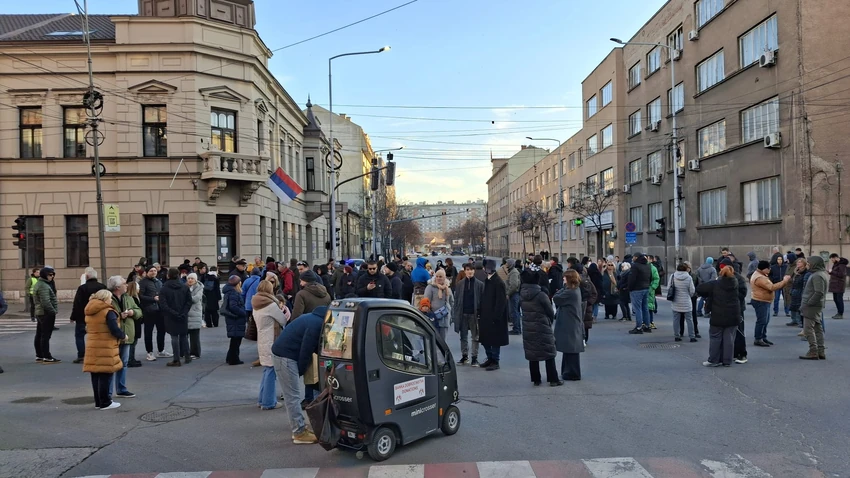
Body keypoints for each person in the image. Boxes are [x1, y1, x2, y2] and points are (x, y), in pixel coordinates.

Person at [271, 305, 326, 445]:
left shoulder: (311, 318)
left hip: (283, 354)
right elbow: (306, 351)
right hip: (286, 357)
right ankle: (299, 432)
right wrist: (300, 371)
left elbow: (312, 347)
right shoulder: (316, 325)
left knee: (293, 395)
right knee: (293, 396)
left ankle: (299, 426)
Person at [83, 289, 126, 410]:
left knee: (96, 374)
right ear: (105, 298)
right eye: (110, 298)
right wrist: (123, 336)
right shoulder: (108, 312)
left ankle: (98, 402)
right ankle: (106, 402)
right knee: (105, 374)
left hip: (93, 345)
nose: (111, 300)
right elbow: (114, 329)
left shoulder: (90, 310)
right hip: (106, 345)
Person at [519, 269, 562, 386]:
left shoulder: (522, 294)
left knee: (532, 353)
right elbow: (550, 311)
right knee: (549, 352)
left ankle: (536, 379)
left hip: (528, 327)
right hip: (542, 326)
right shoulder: (541, 295)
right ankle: (553, 379)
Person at [253, 280, 289, 410]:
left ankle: (262, 399)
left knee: (266, 370)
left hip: (262, 338)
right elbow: (283, 320)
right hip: (271, 340)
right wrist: (284, 310)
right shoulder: (270, 305)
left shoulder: (255, 303)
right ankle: (268, 402)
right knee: (271, 371)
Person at [697, 266, 741, 367]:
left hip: (718, 314)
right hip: (733, 314)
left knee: (715, 337)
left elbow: (700, 288)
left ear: (720, 273)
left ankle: (714, 360)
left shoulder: (715, 283)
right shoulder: (735, 283)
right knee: (729, 338)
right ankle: (727, 361)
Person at [107, 275, 141, 399]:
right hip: (114, 336)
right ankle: (108, 393)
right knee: (112, 364)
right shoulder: (109, 299)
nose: (127, 286)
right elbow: (106, 316)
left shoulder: (128, 297)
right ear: (117, 287)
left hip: (127, 335)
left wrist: (133, 312)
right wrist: (119, 316)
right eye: (124, 284)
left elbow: (139, 311)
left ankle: (121, 389)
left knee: (123, 363)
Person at [70, 268, 106, 364]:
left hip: (83, 316)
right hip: (99, 316)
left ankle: (81, 355)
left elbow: (77, 303)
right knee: (98, 335)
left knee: (79, 336)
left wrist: (73, 316)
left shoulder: (82, 288)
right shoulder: (102, 287)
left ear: (86, 277)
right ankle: (97, 354)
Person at [553, 269, 584, 381]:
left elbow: (556, 298)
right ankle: (567, 371)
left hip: (570, 323)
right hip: (571, 322)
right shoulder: (574, 289)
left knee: (571, 349)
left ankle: (572, 373)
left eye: (565, 278)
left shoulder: (570, 292)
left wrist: (560, 290)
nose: (563, 279)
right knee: (568, 349)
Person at [750, 261, 790, 347]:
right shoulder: (760, 278)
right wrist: (784, 281)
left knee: (765, 320)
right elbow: (772, 287)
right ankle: (758, 338)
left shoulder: (759, 274)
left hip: (763, 300)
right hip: (761, 301)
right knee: (762, 321)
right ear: (764, 269)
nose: (770, 270)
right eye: (769, 268)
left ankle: (763, 337)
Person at [478, 260, 509, 371]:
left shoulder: (498, 282)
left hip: (495, 317)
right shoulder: (488, 280)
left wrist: (496, 317)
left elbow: (501, 302)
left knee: (495, 340)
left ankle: (495, 360)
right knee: (486, 339)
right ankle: (490, 358)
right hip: (486, 315)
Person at [159, 268, 192, 366]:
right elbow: (188, 302)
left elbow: (163, 305)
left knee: (174, 337)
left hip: (171, 316)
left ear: (168, 276)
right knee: (183, 335)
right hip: (182, 315)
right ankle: (187, 356)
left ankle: (176, 359)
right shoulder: (184, 287)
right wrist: (183, 313)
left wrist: (173, 313)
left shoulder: (164, 288)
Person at [452, 263, 484, 366]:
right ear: (464, 271)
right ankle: (464, 356)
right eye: (467, 270)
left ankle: (474, 357)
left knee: (475, 337)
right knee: (463, 336)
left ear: (474, 271)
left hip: (474, 314)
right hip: (463, 313)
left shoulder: (479, 284)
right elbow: (456, 299)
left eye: (471, 270)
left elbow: (483, 300)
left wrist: (481, 313)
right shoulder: (460, 284)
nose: (469, 271)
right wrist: (455, 314)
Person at [800, 256, 828, 360]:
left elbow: (819, 292)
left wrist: (808, 303)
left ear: (814, 264)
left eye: (809, 263)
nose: (807, 265)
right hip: (815, 306)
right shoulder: (819, 274)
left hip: (812, 307)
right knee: (817, 328)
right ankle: (820, 351)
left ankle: (813, 351)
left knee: (808, 329)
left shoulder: (817, 276)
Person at [139, 266, 170, 361]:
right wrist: (153, 299)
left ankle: (161, 350)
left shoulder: (158, 282)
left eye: (155, 270)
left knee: (161, 330)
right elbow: (140, 296)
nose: (153, 272)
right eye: (151, 271)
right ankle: (149, 352)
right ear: (147, 272)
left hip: (160, 310)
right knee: (148, 332)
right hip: (149, 310)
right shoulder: (143, 282)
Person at [33, 266, 60, 363]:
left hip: (41, 312)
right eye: (50, 274)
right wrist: (53, 311)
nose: (52, 276)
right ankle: (46, 356)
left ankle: (40, 355)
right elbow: (46, 302)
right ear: (44, 275)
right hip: (45, 313)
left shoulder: (40, 283)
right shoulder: (43, 286)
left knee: (40, 334)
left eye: (53, 275)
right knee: (45, 335)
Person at [221, 275, 248, 365]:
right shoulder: (234, 293)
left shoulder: (230, 292)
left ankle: (230, 357)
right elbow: (233, 306)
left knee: (234, 340)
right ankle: (234, 359)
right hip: (236, 319)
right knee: (236, 340)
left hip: (233, 319)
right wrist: (243, 313)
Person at [669, 263, 697, 342]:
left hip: (676, 301)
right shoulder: (689, 277)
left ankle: (677, 336)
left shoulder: (673, 276)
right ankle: (692, 336)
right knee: (689, 320)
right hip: (686, 301)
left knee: (676, 319)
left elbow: (669, 287)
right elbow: (692, 291)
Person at [423, 269, 453, 341]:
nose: (438, 278)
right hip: (433, 318)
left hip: (445, 318)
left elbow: (451, 302)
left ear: (444, 277)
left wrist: (451, 314)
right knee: (434, 341)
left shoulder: (447, 288)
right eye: (437, 276)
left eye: (440, 276)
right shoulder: (430, 287)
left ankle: (441, 352)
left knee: (443, 341)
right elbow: (426, 302)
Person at [627, 254, 652, 334]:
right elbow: (650, 277)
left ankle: (638, 327)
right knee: (645, 308)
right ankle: (647, 326)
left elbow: (632, 278)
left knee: (637, 309)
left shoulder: (635, 266)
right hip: (646, 288)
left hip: (637, 289)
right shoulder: (648, 266)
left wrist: (630, 288)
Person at [125, 279, 144, 367]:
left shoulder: (134, 298)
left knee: (133, 341)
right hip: (134, 323)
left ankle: (131, 358)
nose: (139, 289)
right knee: (133, 341)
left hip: (135, 322)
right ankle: (130, 359)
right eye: (138, 287)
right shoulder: (133, 299)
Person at [186, 273, 204, 359]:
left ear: (195, 280)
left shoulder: (200, 287)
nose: (190, 280)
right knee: (184, 335)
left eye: (192, 278)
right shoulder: (184, 287)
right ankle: (185, 352)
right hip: (185, 314)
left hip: (195, 314)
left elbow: (196, 298)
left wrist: (186, 297)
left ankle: (195, 353)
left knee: (195, 336)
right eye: (189, 278)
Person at [788, 258, 809, 328]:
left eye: (800, 262)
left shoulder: (805, 272)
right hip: (795, 290)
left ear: (804, 264)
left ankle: (799, 321)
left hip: (800, 291)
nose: (798, 264)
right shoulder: (796, 271)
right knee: (793, 306)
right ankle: (794, 320)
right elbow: (794, 281)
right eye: (797, 262)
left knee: (799, 307)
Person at [828, 254, 847, 319]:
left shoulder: (842, 265)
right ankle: (838, 312)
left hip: (839, 285)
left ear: (836, 258)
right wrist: (830, 272)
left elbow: (841, 274)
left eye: (832, 259)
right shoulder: (836, 264)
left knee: (839, 299)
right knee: (835, 299)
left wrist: (832, 271)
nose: (832, 260)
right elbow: (836, 273)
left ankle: (840, 313)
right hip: (835, 285)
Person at [646, 256, 660, 329]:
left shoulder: (653, 268)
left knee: (650, 306)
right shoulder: (642, 267)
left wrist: (653, 287)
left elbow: (656, 278)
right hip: (643, 288)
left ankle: (651, 322)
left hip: (650, 289)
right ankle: (644, 322)